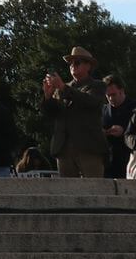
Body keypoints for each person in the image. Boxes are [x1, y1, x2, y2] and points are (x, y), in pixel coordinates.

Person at [42, 46, 107, 179]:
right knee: (68, 192)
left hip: (88, 147)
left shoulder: (97, 86)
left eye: (77, 62)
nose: (72, 66)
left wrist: (62, 87)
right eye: (70, 63)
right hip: (64, 148)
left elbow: (90, 101)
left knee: (94, 189)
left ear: (88, 66)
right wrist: (47, 97)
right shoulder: (63, 88)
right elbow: (50, 113)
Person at [102, 75, 132, 178]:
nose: (111, 98)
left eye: (113, 94)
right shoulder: (103, 111)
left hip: (130, 162)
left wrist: (124, 131)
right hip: (108, 165)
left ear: (122, 90)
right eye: (108, 95)